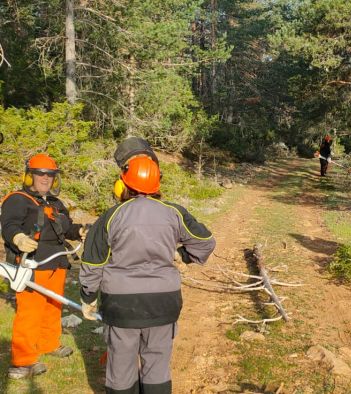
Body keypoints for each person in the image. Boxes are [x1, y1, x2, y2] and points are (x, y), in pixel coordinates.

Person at [79, 156, 216, 394]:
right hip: (163, 303)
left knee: (121, 368)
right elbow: (205, 242)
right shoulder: (174, 212)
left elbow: (93, 262)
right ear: (157, 185)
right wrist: (181, 255)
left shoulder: (111, 217)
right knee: (157, 366)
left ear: (123, 183)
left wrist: (88, 296)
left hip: (122, 306)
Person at [1, 153, 83, 379]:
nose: (45, 180)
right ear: (30, 177)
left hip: (57, 262)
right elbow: (8, 225)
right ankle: (23, 361)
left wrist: (79, 231)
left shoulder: (56, 203)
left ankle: (49, 343)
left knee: (53, 306)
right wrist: (17, 237)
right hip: (32, 265)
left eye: (50, 176)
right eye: (40, 175)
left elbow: (65, 227)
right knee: (29, 312)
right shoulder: (17, 199)